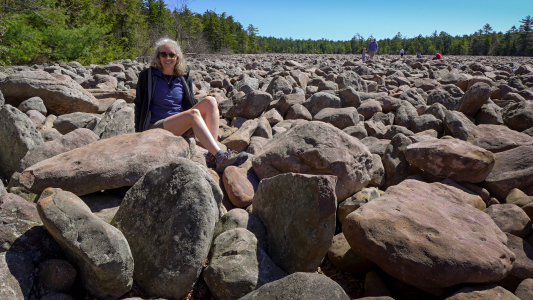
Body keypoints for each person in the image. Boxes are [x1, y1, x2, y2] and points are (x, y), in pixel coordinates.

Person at [134, 37, 248, 173]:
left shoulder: (182, 77)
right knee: (193, 114)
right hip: (157, 126)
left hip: (180, 123)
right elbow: (139, 104)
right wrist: (138, 135)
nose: (168, 58)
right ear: (158, 56)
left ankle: (212, 154)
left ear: (177, 58)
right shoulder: (147, 76)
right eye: (163, 54)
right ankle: (220, 156)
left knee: (211, 101)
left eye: (172, 54)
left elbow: (190, 102)